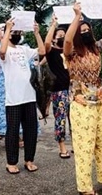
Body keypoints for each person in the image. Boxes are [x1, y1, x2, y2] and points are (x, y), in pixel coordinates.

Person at [64, 2, 102, 195]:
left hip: (101, 102)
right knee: (84, 147)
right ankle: (85, 188)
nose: (86, 32)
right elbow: (67, 42)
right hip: (81, 105)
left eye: (88, 29)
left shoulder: (97, 47)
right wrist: (76, 17)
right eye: (83, 30)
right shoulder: (71, 53)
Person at [0, 18, 45, 174]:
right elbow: (3, 52)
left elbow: (42, 51)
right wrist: (7, 29)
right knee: (12, 131)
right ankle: (11, 162)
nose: (17, 34)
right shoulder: (2, 48)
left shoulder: (24, 49)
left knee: (30, 130)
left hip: (29, 97)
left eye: (18, 31)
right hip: (13, 99)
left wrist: (37, 33)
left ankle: (29, 160)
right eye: (14, 32)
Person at [44, 15, 71, 158]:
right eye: (59, 36)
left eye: (64, 35)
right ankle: (62, 146)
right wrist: (53, 25)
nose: (62, 37)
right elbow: (46, 43)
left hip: (73, 88)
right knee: (60, 118)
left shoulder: (69, 51)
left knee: (76, 118)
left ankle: (77, 144)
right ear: (55, 38)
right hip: (59, 90)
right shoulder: (51, 51)